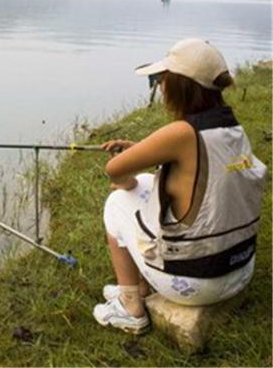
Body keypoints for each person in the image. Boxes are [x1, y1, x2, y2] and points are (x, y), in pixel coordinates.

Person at [92, 38, 267, 334]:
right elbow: (199, 169)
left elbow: (114, 170)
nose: (160, 86)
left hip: (196, 283)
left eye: (162, 79)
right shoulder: (231, 127)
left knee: (117, 203)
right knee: (148, 182)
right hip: (239, 270)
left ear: (179, 85)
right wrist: (145, 154)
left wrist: (127, 175)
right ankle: (142, 286)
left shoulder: (181, 133)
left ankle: (131, 305)